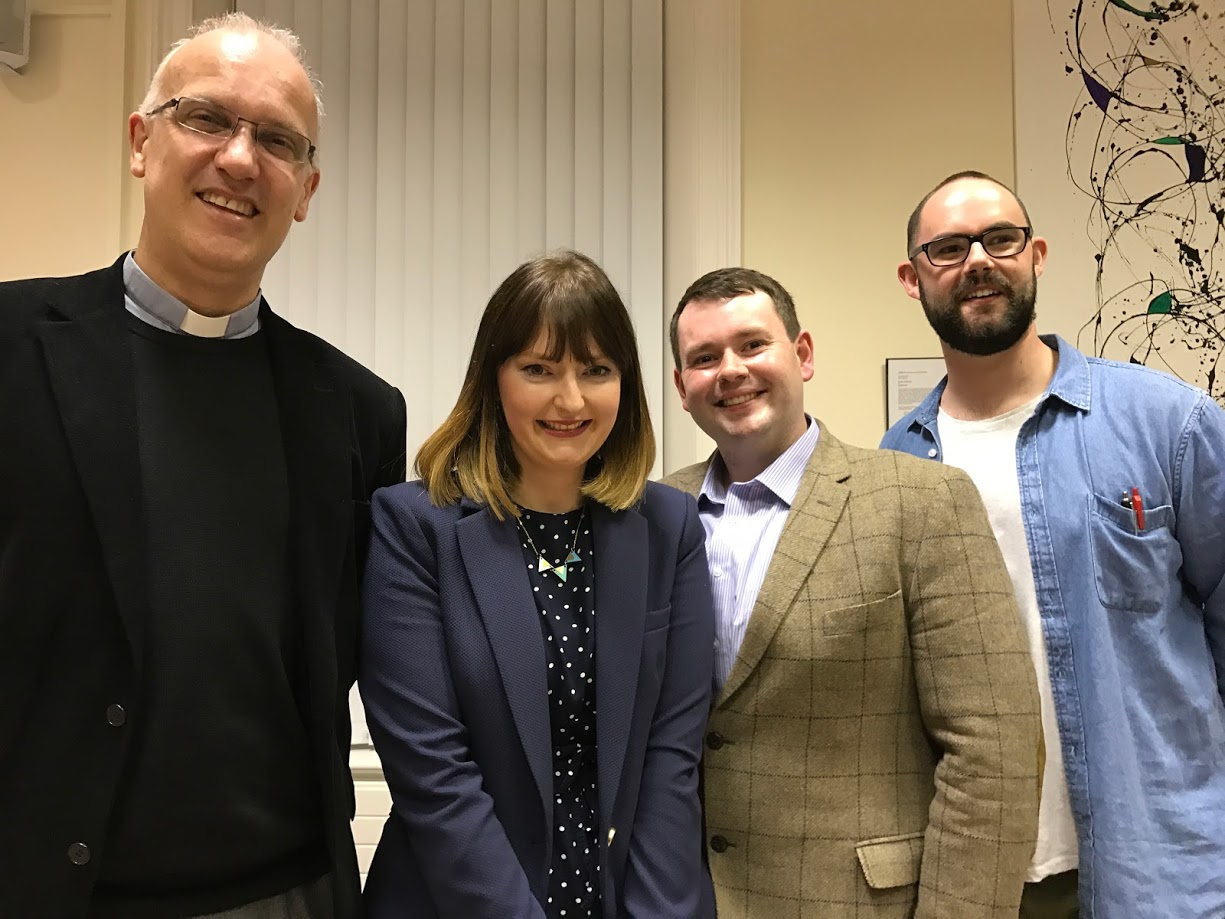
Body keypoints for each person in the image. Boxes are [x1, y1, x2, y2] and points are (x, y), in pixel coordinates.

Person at [0, 14, 407, 919]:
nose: (238, 158)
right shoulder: (10, 348)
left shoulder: (359, 411)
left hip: (288, 892)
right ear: (141, 142)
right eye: (206, 118)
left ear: (304, 189)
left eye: (276, 140)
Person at [882, 170, 1225, 919]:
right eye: (947, 247)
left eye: (999, 238)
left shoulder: (1169, 423)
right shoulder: (895, 468)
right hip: (987, 877)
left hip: (1164, 868)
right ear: (913, 278)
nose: (978, 259)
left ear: (1034, 253)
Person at [664, 266, 1041, 919]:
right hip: (685, 898)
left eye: (752, 345)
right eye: (703, 357)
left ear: (801, 354)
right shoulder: (653, 512)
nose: (729, 369)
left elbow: (991, 748)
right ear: (681, 387)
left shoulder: (919, 501)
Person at [359, 250, 715, 918]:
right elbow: (433, 772)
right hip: (458, 901)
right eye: (539, 369)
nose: (571, 399)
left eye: (596, 370)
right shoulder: (416, 527)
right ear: (494, 380)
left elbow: (671, 758)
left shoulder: (669, 528)